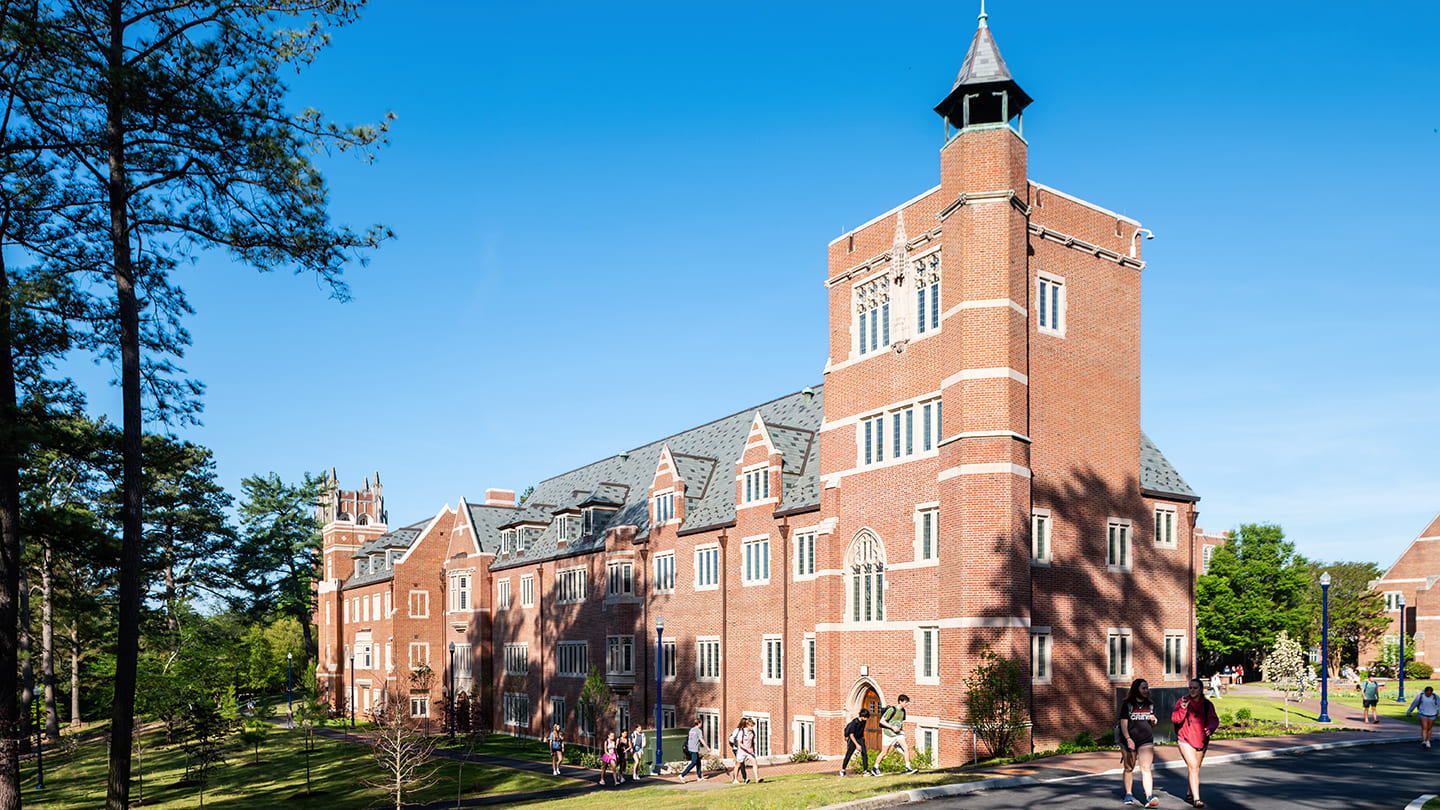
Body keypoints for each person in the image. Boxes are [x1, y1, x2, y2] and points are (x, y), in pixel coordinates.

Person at [1173, 677, 1220, 808]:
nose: (1192, 690)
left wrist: (1210, 728)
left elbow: (1213, 719)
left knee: (1195, 769)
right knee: (1193, 767)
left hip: (1201, 740)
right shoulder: (1183, 702)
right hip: (1185, 739)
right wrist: (1182, 709)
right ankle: (1196, 799)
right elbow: (1175, 719)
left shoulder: (1207, 704)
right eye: (1190, 688)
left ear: (1201, 689)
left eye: (1195, 688)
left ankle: (1189, 793)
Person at [1119, 678, 1159, 808]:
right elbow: (1123, 724)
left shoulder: (1150, 705)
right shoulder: (1128, 705)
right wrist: (1128, 739)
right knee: (1129, 768)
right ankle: (1129, 793)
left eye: (1147, 688)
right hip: (1129, 740)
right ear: (1137, 689)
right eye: (1144, 688)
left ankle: (1149, 796)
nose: (1146, 691)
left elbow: (1151, 725)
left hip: (1146, 740)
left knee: (1146, 769)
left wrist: (1153, 721)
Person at [874, 694, 918, 775]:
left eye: (908, 702)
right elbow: (882, 721)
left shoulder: (903, 711)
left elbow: (900, 722)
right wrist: (892, 727)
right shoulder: (892, 710)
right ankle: (875, 768)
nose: (907, 704)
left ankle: (908, 768)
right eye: (906, 702)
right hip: (888, 733)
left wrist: (901, 731)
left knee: (906, 748)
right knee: (884, 752)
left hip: (898, 733)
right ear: (900, 701)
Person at [840, 708, 871, 777]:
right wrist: (857, 745)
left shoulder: (864, 721)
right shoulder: (854, 722)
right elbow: (851, 735)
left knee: (864, 754)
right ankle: (843, 770)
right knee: (848, 755)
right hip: (853, 739)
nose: (866, 719)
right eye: (866, 717)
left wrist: (862, 741)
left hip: (860, 738)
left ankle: (865, 771)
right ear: (862, 716)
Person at [678, 717, 709, 783]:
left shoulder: (691, 730)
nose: (701, 724)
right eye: (701, 723)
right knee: (694, 762)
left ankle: (699, 777)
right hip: (694, 749)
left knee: (698, 762)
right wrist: (707, 747)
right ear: (699, 723)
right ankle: (682, 775)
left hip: (690, 748)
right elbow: (701, 740)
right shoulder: (698, 730)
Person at [737, 718, 762, 783]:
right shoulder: (742, 732)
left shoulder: (752, 733)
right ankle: (735, 779)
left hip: (749, 752)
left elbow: (752, 742)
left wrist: (753, 749)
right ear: (747, 726)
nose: (752, 728)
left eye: (753, 726)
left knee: (754, 762)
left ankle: (757, 778)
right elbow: (739, 743)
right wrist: (746, 748)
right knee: (738, 765)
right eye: (751, 726)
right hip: (742, 751)